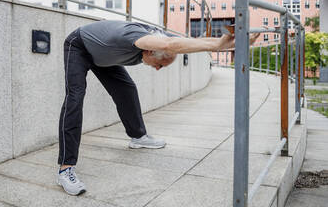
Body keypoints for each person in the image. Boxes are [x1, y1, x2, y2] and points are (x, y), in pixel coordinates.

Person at [56, 19, 260, 196]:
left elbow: (186, 42)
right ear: (150, 51)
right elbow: (172, 44)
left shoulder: (158, 39)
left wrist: (232, 44)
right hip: (80, 47)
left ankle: (138, 137)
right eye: (160, 64)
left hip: (104, 56)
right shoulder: (139, 38)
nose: (157, 68)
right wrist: (218, 46)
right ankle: (66, 169)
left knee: (126, 89)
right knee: (75, 96)